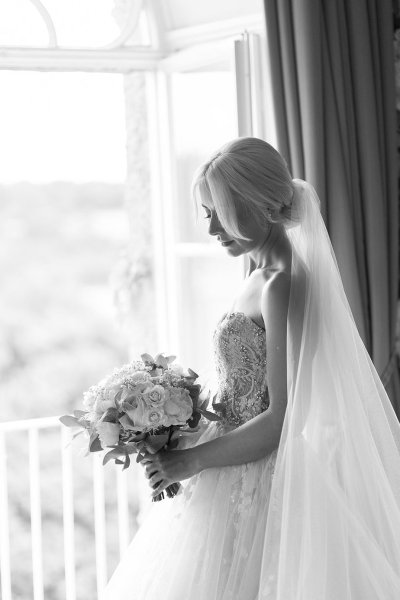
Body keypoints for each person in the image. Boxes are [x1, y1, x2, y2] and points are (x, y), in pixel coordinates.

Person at [104, 137, 400, 599]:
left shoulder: (280, 283)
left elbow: (281, 419)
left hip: (260, 477)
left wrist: (190, 460)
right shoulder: (257, 273)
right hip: (228, 462)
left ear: (256, 203)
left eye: (219, 211)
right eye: (207, 213)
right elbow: (240, 387)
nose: (211, 229)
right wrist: (174, 425)